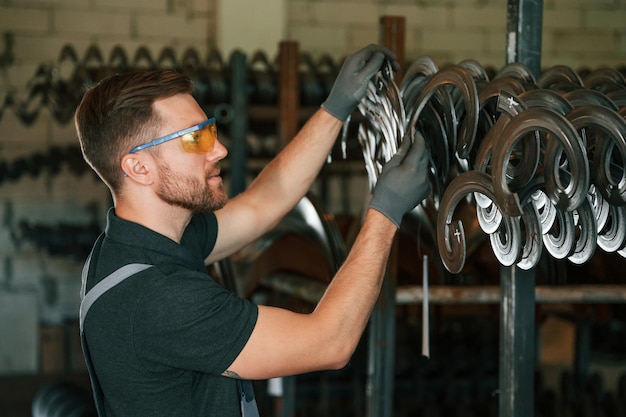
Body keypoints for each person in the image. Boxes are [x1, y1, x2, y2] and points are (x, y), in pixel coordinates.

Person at [75, 43, 431, 417]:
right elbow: (329, 342)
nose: (220, 150)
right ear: (139, 168)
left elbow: (262, 204)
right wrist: (386, 212)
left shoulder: (134, 246)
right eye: (195, 139)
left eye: (210, 131)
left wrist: (335, 108)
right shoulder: (158, 298)